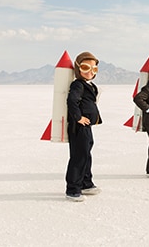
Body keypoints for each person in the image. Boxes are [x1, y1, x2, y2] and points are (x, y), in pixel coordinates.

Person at [65, 51, 102, 201]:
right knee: (79, 157)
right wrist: (78, 117)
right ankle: (73, 189)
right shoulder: (77, 84)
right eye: (86, 67)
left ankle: (86, 183)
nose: (90, 72)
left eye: (94, 69)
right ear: (78, 68)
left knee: (86, 154)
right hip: (78, 127)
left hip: (87, 127)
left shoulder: (89, 85)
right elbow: (72, 101)